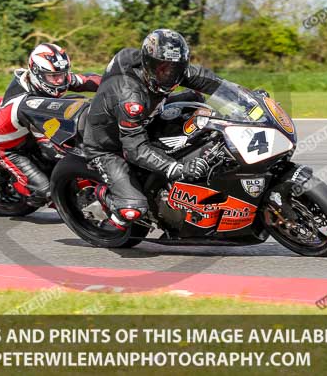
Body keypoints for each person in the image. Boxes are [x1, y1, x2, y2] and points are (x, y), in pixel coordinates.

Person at [83, 29, 224, 228]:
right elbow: (134, 149)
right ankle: (104, 196)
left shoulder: (169, 71)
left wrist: (247, 99)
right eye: (162, 68)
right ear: (148, 64)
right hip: (109, 145)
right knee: (133, 210)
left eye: (175, 68)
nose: (169, 75)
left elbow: (208, 80)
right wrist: (176, 169)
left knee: (197, 101)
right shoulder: (130, 97)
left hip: (145, 119)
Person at [0, 43, 101, 205]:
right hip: (8, 149)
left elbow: (88, 80)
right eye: (53, 77)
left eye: (62, 74)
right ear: (37, 73)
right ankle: (28, 193)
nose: (59, 80)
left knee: (79, 102)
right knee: (46, 191)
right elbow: (51, 149)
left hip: (29, 129)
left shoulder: (51, 77)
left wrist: (117, 82)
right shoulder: (24, 103)